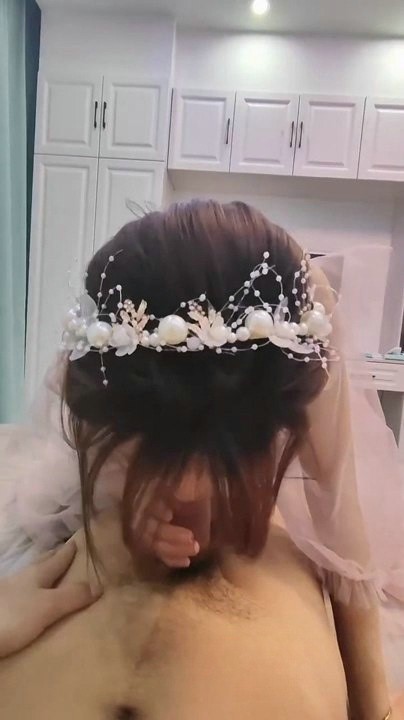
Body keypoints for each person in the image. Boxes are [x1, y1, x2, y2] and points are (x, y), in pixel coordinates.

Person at [1, 200, 403, 718]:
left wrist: (373, 706)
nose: (188, 489)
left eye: (220, 462)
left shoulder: (299, 326)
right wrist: (124, 496)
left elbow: (339, 512)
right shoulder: (104, 373)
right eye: (150, 449)